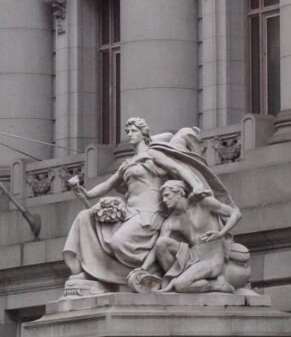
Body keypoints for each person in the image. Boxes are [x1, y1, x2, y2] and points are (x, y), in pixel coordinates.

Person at [62, 117, 227, 289]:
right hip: (128, 212)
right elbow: (107, 185)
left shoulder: (153, 155)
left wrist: (196, 185)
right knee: (84, 216)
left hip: (148, 214)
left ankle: (146, 270)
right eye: (128, 132)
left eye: (133, 131)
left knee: (117, 242)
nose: (130, 135)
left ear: (143, 133)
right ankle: (84, 270)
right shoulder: (127, 163)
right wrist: (85, 192)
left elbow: (178, 169)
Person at [139, 180, 241, 293]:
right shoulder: (172, 221)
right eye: (163, 197)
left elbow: (236, 213)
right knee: (161, 243)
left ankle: (217, 285)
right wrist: (143, 268)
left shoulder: (202, 203)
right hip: (192, 255)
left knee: (181, 285)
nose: (164, 200)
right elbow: (156, 249)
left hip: (211, 258)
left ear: (180, 192)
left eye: (167, 195)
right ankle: (178, 278)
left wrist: (221, 233)